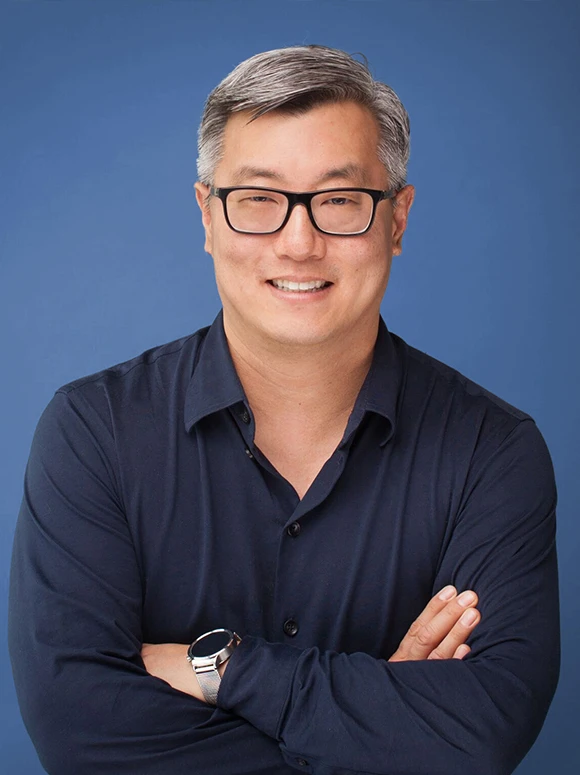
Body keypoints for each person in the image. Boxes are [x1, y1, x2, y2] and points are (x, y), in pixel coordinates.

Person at [9, 45, 559, 775]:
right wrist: (380, 725)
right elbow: (81, 736)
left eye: (339, 200)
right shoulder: (93, 433)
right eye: (259, 200)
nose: (299, 243)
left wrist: (224, 667)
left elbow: (482, 731)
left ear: (397, 219)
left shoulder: (493, 452)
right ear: (208, 216)